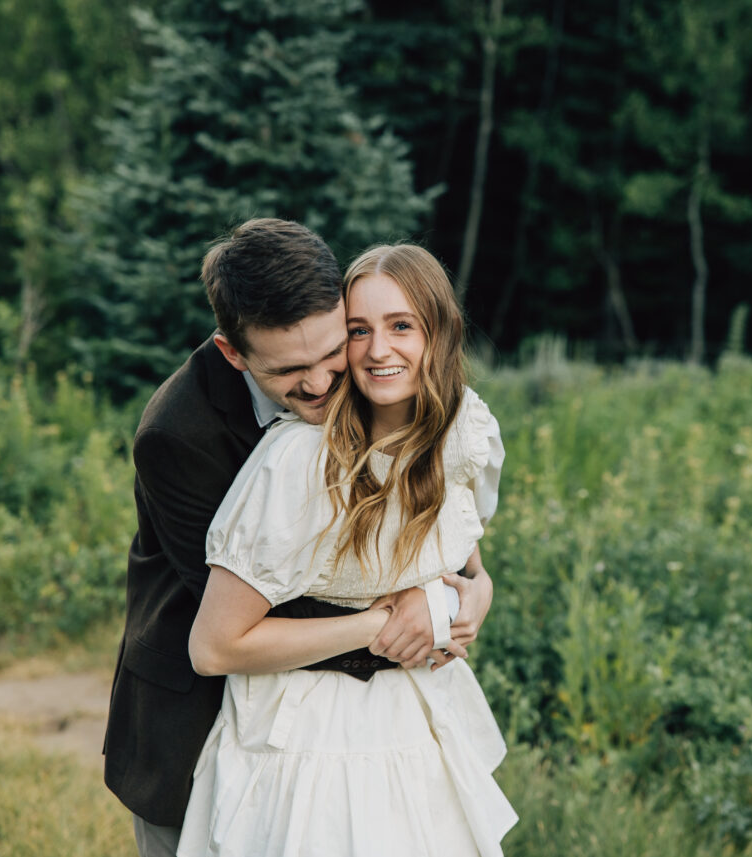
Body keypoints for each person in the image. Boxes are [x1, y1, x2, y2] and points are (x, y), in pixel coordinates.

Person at [103, 219, 496, 857]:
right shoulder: (178, 436)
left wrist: (468, 595)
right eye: (289, 370)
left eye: (332, 351)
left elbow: (438, 539)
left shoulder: (375, 392)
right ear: (234, 352)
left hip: (355, 722)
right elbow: (258, 617)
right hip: (198, 711)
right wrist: (409, 617)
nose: (319, 384)